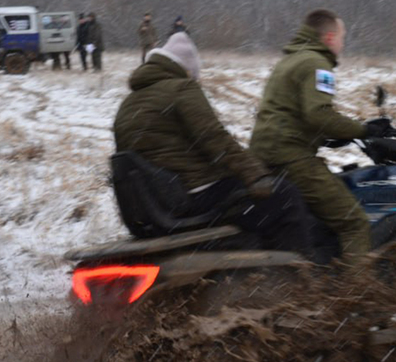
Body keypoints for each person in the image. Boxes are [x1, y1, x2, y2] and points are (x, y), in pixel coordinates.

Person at [114, 32, 310, 252]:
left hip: (153, 209)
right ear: (187, 69)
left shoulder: (128, 103)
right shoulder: (182, 88)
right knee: (285, 196)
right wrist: (257, 175)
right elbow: (215, 139)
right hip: (193, 197)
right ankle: (301, 276)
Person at [250, 8, 393, 266]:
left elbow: (290, 113)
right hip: (290, 155)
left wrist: (330, 137)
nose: (343, 43)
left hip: (265, 152)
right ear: (328, 38)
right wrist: (365, 130)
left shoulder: (291, 59)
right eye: (342, 37)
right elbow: (319, 114)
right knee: (353, 221)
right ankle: (357, 296)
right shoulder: (317, 64)